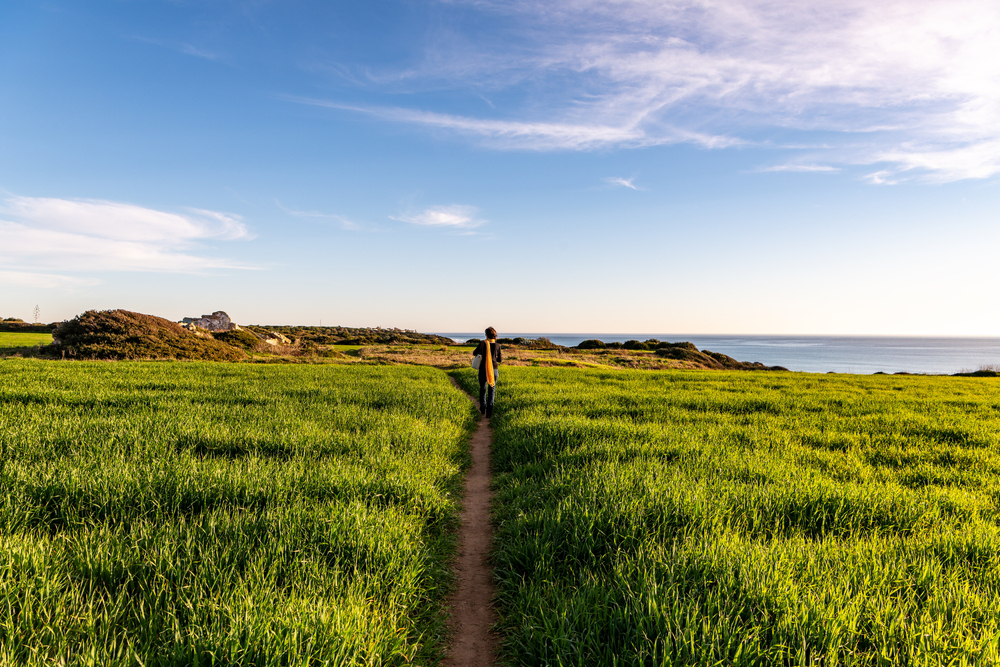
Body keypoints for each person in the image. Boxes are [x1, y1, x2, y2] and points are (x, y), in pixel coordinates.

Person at [473, 327, 502, 417]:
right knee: (492, 390)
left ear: (486, 334)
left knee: (482, 389)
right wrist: (492, 358)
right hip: (494, 369)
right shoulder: (498, 345)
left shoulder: (482, 343)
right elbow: (500, 360)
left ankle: (482, 408)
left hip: (482, 369)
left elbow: (474, 353)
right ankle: (489, 411)